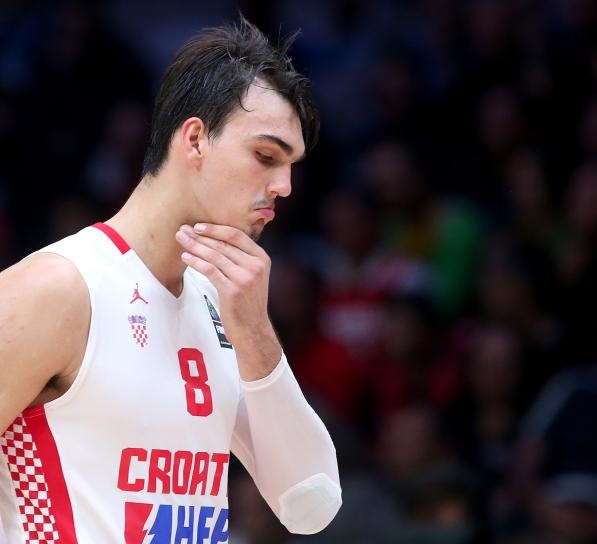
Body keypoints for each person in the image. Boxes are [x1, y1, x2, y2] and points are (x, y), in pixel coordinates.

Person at [0, 17, 341, 542]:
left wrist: (253, 330)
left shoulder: (225, 308)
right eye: (266, 156)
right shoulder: (59, 288)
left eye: (291, 166)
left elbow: (310, 504)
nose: (284, 186)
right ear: (196, 139)